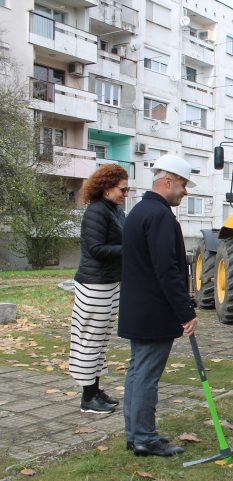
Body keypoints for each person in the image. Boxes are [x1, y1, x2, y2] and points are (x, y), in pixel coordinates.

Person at [118, 154, 198, 457]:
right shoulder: (160, 215)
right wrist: (186, 312)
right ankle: (145, 438)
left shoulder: (139, 210)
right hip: (153, 313)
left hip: (138, 309)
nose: (185, 192)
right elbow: (167, 270)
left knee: (137, 373)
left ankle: (135, 433)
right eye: (183, 185)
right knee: (146, 376)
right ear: (168, 182)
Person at [69, 163, 129, 414]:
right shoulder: (96, 212)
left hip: (109, 283)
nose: (125, 195)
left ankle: (95, 389)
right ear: (106, 188)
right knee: (88, 340)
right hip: (94, 285)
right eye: (122, 190)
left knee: (101, 340)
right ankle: (87, 397)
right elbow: (96, 249)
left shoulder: (114, 210)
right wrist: (132, 250)